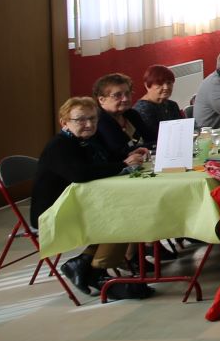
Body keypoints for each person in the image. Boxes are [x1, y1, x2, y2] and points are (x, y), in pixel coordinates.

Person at [33, 97, 152, 299]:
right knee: (126, 213)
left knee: (131, 207)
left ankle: (84, 263)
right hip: (54, 212)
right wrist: (123, 164)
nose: (88, 124)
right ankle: (97, 271)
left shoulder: (85, 141)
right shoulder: (59, 145)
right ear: (65, 123)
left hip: (82, 204)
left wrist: (129, 155)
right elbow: (80, 173)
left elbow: (103, 160)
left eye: (93, 119)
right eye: (80, 119)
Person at [91, 73, 151, 159]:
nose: (125, 99)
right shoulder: (100, 120)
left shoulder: (132, 114)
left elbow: (152, 138)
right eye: (117, 95)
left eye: (127, 93)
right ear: (101, 100)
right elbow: (120, 151)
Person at [133, 64, 182, 141]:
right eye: (160, 84)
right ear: (147, 85)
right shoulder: (143, 110)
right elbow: (153, 139)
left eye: (169, 83)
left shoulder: (172, 105)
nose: (166, 87)